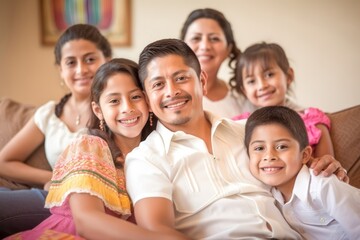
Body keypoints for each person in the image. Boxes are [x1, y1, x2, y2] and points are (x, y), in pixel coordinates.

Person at [125, 38, 346, 239]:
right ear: (146, 98)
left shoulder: (250, 133)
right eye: (158, 85)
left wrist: (324, 168)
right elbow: (156, 231)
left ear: (201, 80)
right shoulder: (146, 159)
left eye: (181, 78)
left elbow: (302, 182)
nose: (171, 92)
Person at [6, 58, 189, 240]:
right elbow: (87, 221)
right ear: (98, 110)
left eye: (135, 97)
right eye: (114, 101)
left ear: (148, 101)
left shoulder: (158, 150)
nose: (127, 108)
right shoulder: (89, 146)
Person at [0, 23, 112, 237]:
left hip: (80, 203)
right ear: (61, 70)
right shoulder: (49, 113)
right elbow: (4, 162)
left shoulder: (115, 109)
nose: (81, 69)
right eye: (71, 62)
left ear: (106, 60)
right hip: (50, 194)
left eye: (90, 59)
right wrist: (52, 176)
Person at [244, 105, 360, 239]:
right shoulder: (268, 197)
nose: (269, 156)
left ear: (305, 155)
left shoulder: (323, 185)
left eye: (281, 146)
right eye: (259, 148)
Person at [180, 8, 301, 118]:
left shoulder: (245, 96)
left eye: (214, 38)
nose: (205, 46)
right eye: (196, 38)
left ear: (229, 48)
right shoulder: (173, 95)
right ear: (182, 46)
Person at [232, 42, 335, 159]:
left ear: (289, 76)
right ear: (244, 91)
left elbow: (327, 168)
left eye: (269, 74)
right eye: (251, 81)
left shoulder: (313, 122)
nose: (262, 85)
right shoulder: (239, 126)